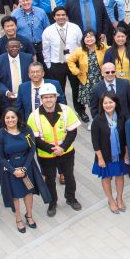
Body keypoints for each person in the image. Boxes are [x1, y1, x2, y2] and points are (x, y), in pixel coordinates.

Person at [27, 83, 82, 217]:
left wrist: (62, 148)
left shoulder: (65, 110)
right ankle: (53, 202)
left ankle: (70, 198)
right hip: (46, 155)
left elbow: (72, 131)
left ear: (55, 97)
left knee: (69, 177)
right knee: (49, 180)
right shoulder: (33, 116)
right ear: (41, 99)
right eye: (45, 97)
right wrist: (53, 149)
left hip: (66, 152)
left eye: (51, 97)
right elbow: (34, 139)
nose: (48, 100)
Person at [0, 108, 50, 233]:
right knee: (15, 194)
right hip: (10, 168)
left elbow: (32, 149)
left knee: (28, 192)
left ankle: (29, 215)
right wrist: (13, 170)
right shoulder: (0, 134)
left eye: (13, 117)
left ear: (17, 117)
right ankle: (18, 218)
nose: (10, 120)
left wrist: (24, 167)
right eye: (7, 118)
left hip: (27, 165)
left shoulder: (26, 130)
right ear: (4, 119)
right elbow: (0, 157)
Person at [91, 92, 129, 214]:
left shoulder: (122, 117)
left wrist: (127, 154)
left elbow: (126, 138)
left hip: (120, 154)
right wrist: (100, 158)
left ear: (116, 103)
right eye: (105, 103)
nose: (108, 105)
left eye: (110, 102)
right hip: (105, 156)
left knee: (119, 175)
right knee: (106, 177)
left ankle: (120, 197)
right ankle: (111, 199)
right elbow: (95, 142)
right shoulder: (97, 120)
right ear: (101, 105)